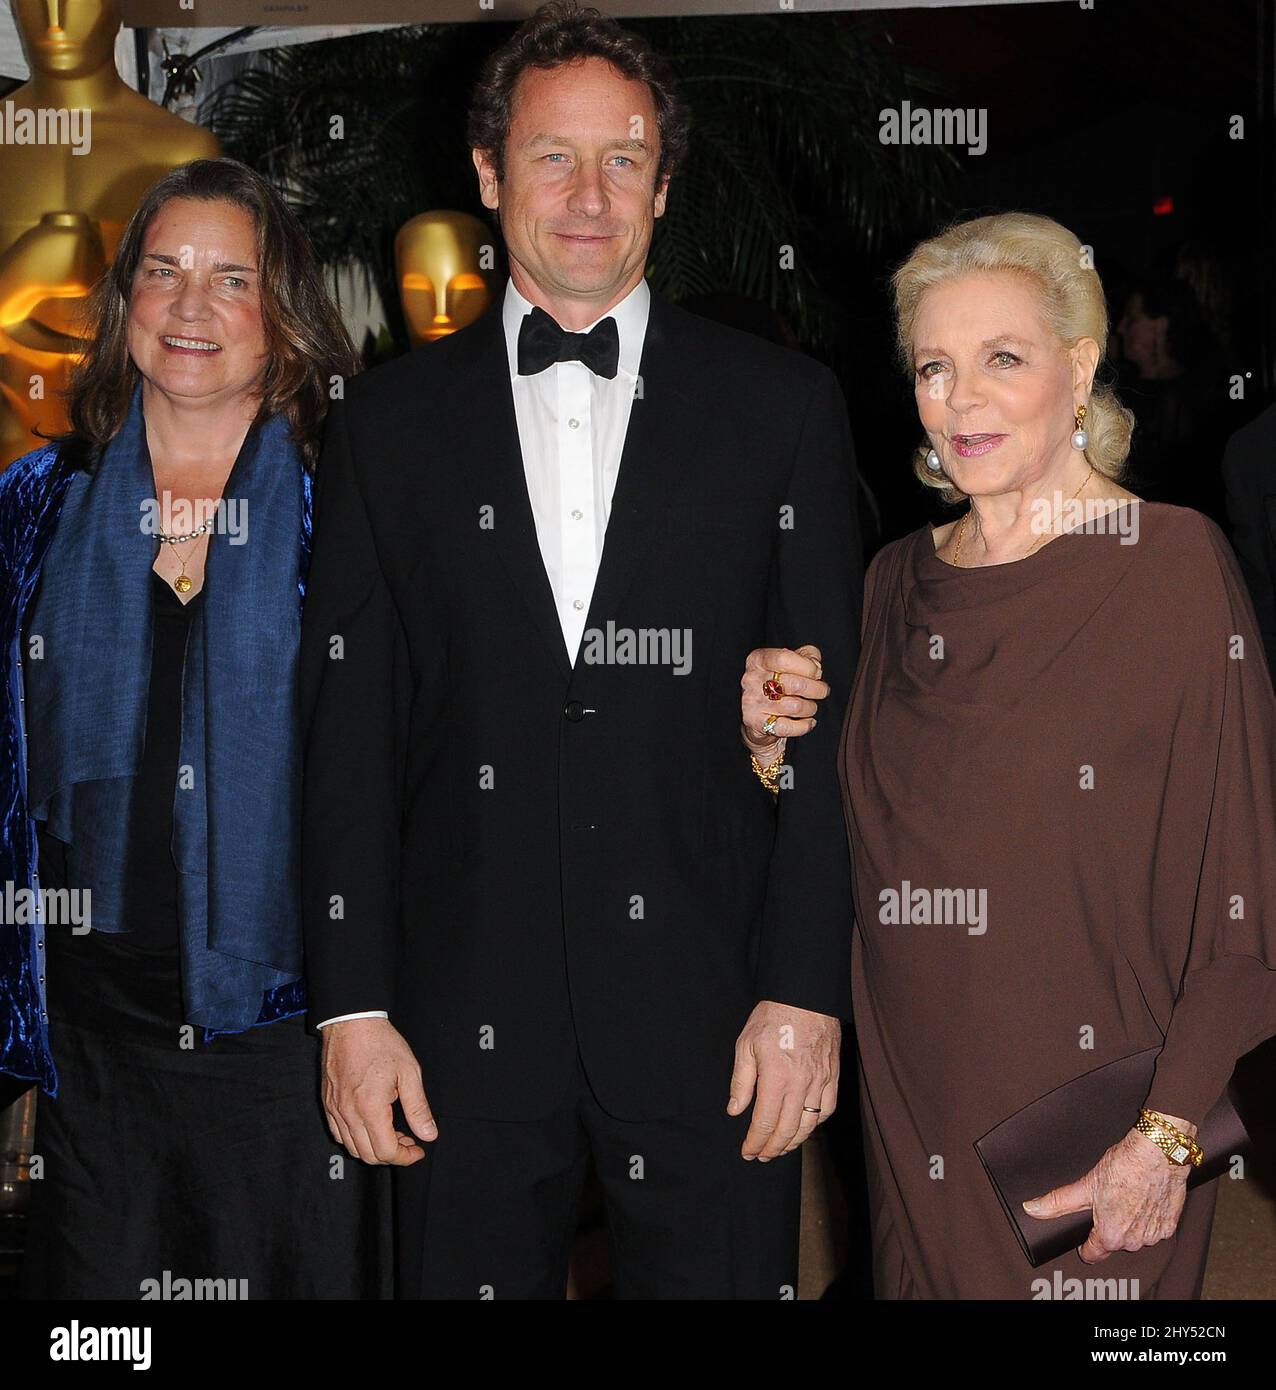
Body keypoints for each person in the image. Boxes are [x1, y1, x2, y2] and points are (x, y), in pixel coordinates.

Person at [299, 1, 860, 1299]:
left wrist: (802, 991)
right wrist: (353, 1007)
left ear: (665, 182)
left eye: (626, 157)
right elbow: (349, 742)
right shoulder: (384, 427)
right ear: (489, 173)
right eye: (555, 155)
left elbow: (828, 726)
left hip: (716, 1015)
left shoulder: (784, 410)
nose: (592, 194)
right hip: (451, 1031)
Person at [742, 212, 1276, 1299]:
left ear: (1078, 367)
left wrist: (1168, 1137)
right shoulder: (892, 578)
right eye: (934, 366)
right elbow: (860, 822)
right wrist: (769, 744)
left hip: (1099, 1111)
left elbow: (1244, 890)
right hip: (913, 1100)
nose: (960, 397)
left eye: (1002, 359)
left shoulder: (1170, 568)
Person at [0, 157, 389, 1298]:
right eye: (163, 272)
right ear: (125, 307)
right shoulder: (38, 503)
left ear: (285, 319)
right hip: (95, 1033)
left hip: (292, 1026)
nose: (190, 305)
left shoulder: (351, 509)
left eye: (232, 278)